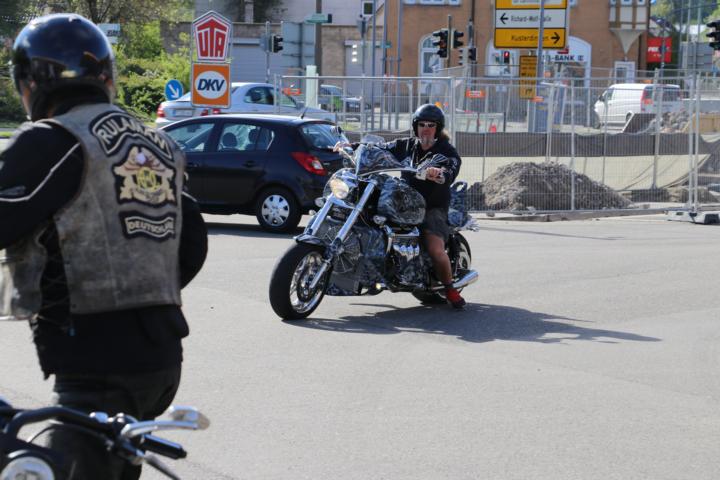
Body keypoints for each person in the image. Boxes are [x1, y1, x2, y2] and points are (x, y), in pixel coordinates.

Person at [0, 13, 207, 479]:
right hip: (161, 355)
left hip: (97, 363)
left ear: (31, 83)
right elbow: (192, 238)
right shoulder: (157, 144)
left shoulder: (53, 140)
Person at [337, 103, 465, 308]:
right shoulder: (406, 145)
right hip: (405, 201)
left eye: (430, 125)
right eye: (421, 124)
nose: (425, 129)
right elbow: (379, 149)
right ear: (415, 126)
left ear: (438, 128)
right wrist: (352, 147)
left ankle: (450, 289)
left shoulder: (446, 151)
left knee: (434, 247)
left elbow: (451, 168)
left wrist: (439, 173)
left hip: (432, 207)